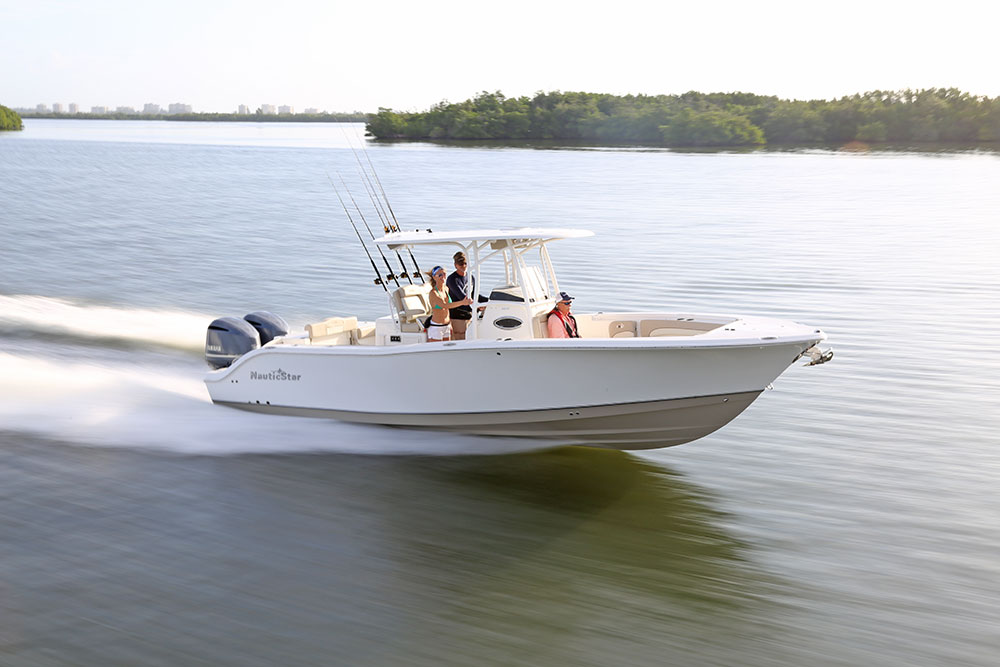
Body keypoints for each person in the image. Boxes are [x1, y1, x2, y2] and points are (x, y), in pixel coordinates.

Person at [427, 265, 472, 342]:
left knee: (446, 349)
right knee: (437, 350)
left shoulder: (446, 289)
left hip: (447, 325)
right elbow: (445, 305)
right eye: (440, 275)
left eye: (444, 274)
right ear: (434, 277)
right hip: (437, 326)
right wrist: (463, 302)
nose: (443, 277)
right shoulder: (433, 293)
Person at [446, 251, 475, 340]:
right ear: (456, 265)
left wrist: (488, 301)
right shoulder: (452, 279)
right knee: (461, 338)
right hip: (457, 314)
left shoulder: (471, 277)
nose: (464, 266)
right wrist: (476, 305)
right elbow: (462, 297)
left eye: (465, 263)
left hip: (469, 313)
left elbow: (474, 294)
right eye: (461, 264)